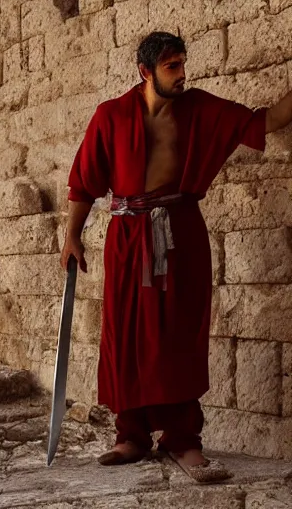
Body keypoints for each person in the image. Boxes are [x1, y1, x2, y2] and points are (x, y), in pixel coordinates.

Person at [60, 31, 292, 483]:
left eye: (183, 63)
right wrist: (71, 235)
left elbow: (266, 123)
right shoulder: (110, 116)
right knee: (126, 332)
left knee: (180, 332)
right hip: (127, 238)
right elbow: (84, 182)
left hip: (181, 232)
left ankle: (183, 439)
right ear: (145, 71)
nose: (183, 74)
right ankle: (131, 434)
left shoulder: (201, 108)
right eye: (172, 66)